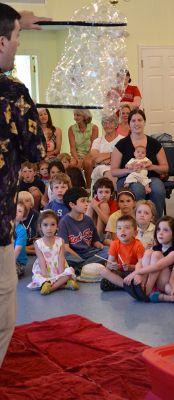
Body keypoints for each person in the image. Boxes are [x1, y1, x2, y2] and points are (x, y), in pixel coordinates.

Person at [0, 3, 48, 366]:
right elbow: (37, 149)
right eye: (16, 38)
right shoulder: (12, 91)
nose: (18, 46)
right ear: (2, 41)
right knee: (3, 308)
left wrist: (16, 18)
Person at [111, 109, 168, 218]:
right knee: (137, 189)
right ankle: (136, 224)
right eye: (133, 121)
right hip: (128, 178)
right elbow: (113, 171)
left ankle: (155, 224)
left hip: (150, 177)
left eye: (140, 120)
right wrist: (130, 169)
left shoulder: (154, 143)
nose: (136, 123)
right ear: (129, 124)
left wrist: (151, 166)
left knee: (158, 190)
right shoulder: (121, 144)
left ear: (144, 122)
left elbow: (165, 168)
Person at [124, 216, 174, 301]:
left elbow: (158, 266)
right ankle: (141, 285)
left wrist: (135, 272)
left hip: (166, 283)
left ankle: (147, 290)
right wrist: (137, 275)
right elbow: (140, 263)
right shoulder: (155, 247)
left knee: (156, 255)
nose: (160, 233)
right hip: (155, 280)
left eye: (165, 230)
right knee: (148, 253)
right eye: (158, 229)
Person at [58, 187, 109, 275]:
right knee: (63, 255)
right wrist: (79, 259)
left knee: (109, 251)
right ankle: (87, 267)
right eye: (83, 201)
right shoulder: (64, 222)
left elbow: (95, 241)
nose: (86, 204)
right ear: (72, 204)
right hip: (74, 255)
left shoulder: (88, 220)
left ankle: (82, 267)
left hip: (89, 253)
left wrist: (102, 247)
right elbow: (66, 248)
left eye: (87, 201)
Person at [27, 210, 78, 295]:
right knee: (37, 277)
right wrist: (45, 275)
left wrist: (61, 274)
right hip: (45, 269)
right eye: (45, 225)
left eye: (52, 224)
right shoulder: (38, 243)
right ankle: (63, 284)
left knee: (70, 271)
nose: (49, 228)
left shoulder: (60, 241)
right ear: (40, 227)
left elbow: (61, 258)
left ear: (57, 226)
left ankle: (51, 288)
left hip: (59, 268)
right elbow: (41, 260)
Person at [100, 215, 145, 292]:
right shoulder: (114, 244)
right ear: (116, 232)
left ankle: (124, 285)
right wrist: (112, 266)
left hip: (133, 273)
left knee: (140, 278)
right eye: (119, 228)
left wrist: (130, 267)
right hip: (120, 273)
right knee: (103, 272)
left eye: (126, 228)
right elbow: (109, 265)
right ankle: (125, 286)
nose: (122, 231)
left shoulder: (138, 245)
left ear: (135, 232)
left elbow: (142, 266)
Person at [68, 109, 98, 188]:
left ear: (85, 116)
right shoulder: (71, 129)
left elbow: (93, 147)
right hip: (76, 155)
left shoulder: (94, 128)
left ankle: (88, 187)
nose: (75, 117)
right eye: (75, 115)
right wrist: (78, 159)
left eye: (78, 115)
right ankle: (75, 188)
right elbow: (72, 148)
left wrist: (84, 159)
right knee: (72, 164)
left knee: (87, 163)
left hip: (90, 154)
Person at [90, 114, 123, 187]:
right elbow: (96, 159)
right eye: (105, 123)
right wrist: (112, 154)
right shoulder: (97, 141)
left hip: (117, 167)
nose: (107, 125)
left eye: (111, 122)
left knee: (112, 172)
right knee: (107, 171)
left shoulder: (123, 140)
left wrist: (103, 157)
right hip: (100, 168)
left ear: (116, 125)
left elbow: (123, 158)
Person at [14, 201, 28, 278]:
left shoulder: (21, 230)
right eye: (14, 209)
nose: (16, 212)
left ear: (23, 217)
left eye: (19, 211)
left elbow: (17, 250)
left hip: (17, 261)